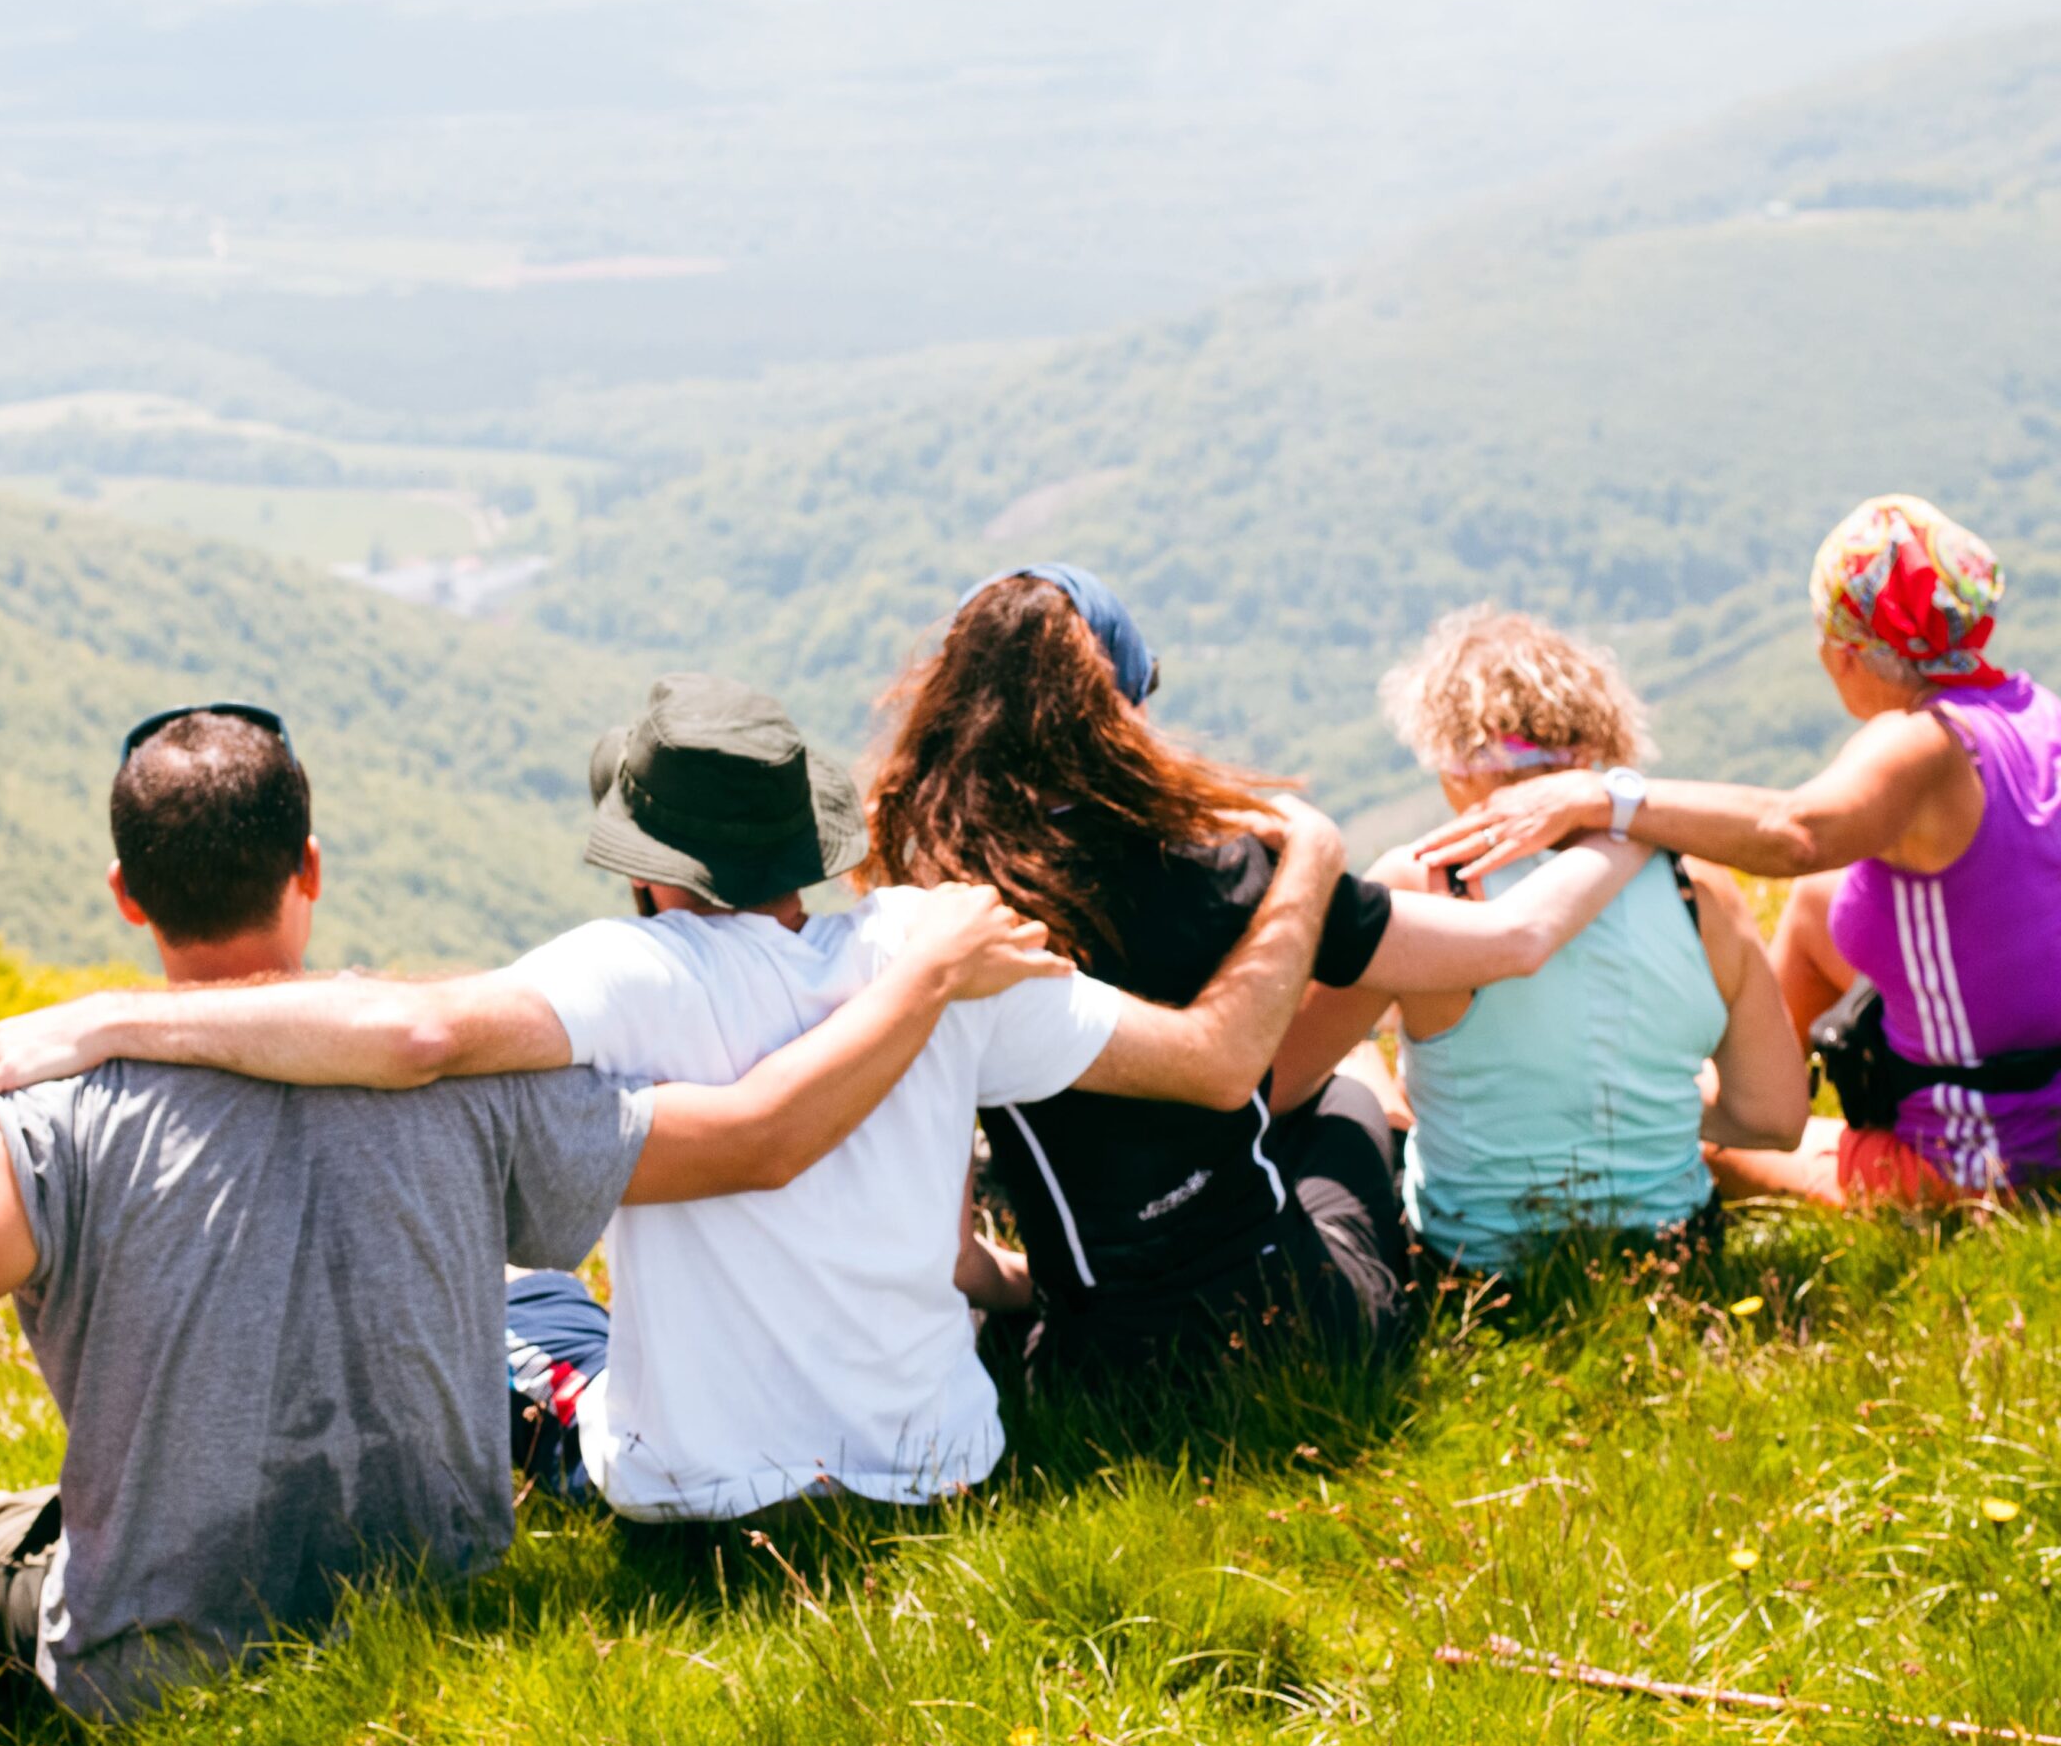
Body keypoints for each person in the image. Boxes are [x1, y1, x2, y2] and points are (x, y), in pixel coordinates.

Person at [0, 708, 1068, 1718]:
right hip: (440, 1617)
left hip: (157, 1671)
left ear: (128, 900)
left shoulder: (53, 1126)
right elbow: (751, 1142)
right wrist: (908, 975)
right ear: (311, 871)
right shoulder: (473, 1083)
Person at [0, 671, 1372, 1520]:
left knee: (522, 1303)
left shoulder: (636, 975)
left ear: (649, 872)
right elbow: (1214, 1061)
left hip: (700, 1494)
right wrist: (1307, 862)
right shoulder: (946, 949)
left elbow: (421, 1035)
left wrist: (105, 1017)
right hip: (946, 1467)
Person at [861, 567, 1660, 1375]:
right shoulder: (1236, 868)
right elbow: (1518, 939)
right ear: (1125, 709)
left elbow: (954, 1258)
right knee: (1345, 1098)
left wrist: (1046, 1288)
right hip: (1306, 1330)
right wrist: (1624, 820)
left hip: (1099, 1365)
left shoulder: (948, 928)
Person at [1415, 497, 2061, 1206]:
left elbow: (1797, 833)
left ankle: (1748, 1114)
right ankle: (1757, 1082)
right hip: (2042, 1087)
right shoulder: (2033, 711)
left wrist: (1606, 798)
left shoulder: (1918, 743)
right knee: (1823, 905)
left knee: (1676, 1138)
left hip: (1989, 1159)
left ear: (1844, 652)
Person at [1320, 608, 1804, 1270]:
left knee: (1355, 1069)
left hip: (1478, 1265)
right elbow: (1775, 1118)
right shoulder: (1703, 889)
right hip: (1679, 1252)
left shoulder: (1423, 882)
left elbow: (1294, 1071)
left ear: (1455, 762)